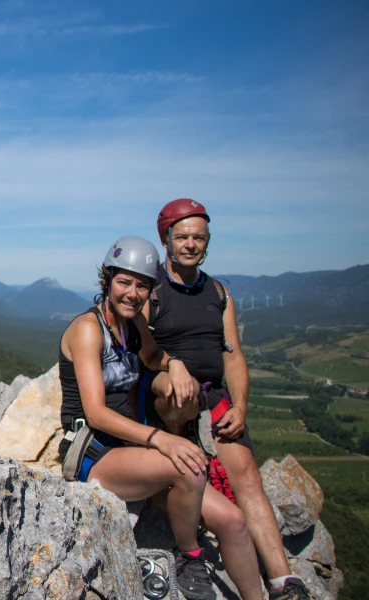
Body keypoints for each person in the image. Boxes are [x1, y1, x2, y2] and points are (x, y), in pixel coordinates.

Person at [59, 235, 263, 600]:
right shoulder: (89, 329)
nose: (132, 293)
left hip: (134, 450)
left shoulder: (132, 324)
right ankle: (189, 554)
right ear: (107, 280)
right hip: (96, 454)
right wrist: (161, 438)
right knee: (190, 467)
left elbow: (154, 358)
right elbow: (96, 413)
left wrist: (176, 363)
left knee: (233, 521)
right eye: (124, 282)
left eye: (142, 285)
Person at [141, 198, 311, 600]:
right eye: (182, 236)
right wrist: (173, 365)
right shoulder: (152, 290)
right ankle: (181, 451)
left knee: (248, 478)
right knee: (174, 390)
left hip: (214, 397)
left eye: (198, 237)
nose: (190, 244)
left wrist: (241, 406)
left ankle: (284, 582)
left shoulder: (219, 294)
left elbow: (232, 355)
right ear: (165, 240)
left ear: (207, 241)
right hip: (169, 394)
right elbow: (141, 351)